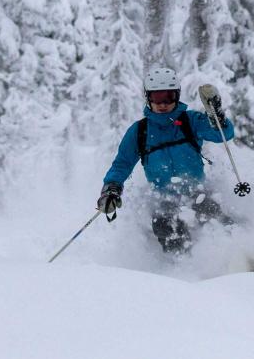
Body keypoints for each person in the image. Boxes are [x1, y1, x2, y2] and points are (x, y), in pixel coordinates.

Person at [97, 66, 235, 254]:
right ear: (148, 98)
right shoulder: (140, 131)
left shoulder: (190, 121)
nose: (162, 104)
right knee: (165, 227)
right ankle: (182, 272)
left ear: (176, 96)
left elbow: (223, 134)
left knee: (214, 216)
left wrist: (216, 115)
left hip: (198, 192)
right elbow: (122, 164)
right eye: (156, 98)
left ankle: (239, 252)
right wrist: (111, 189)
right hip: (164, 199)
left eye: (168, 97)